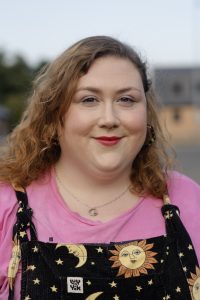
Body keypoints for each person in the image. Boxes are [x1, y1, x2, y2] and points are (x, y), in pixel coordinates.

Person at [0, 35, 200, 300]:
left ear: (146, 113)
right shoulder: (8, 203)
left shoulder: (187, 198)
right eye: (89, 99)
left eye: (126, 100)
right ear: (55, 114)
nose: (109, 119)